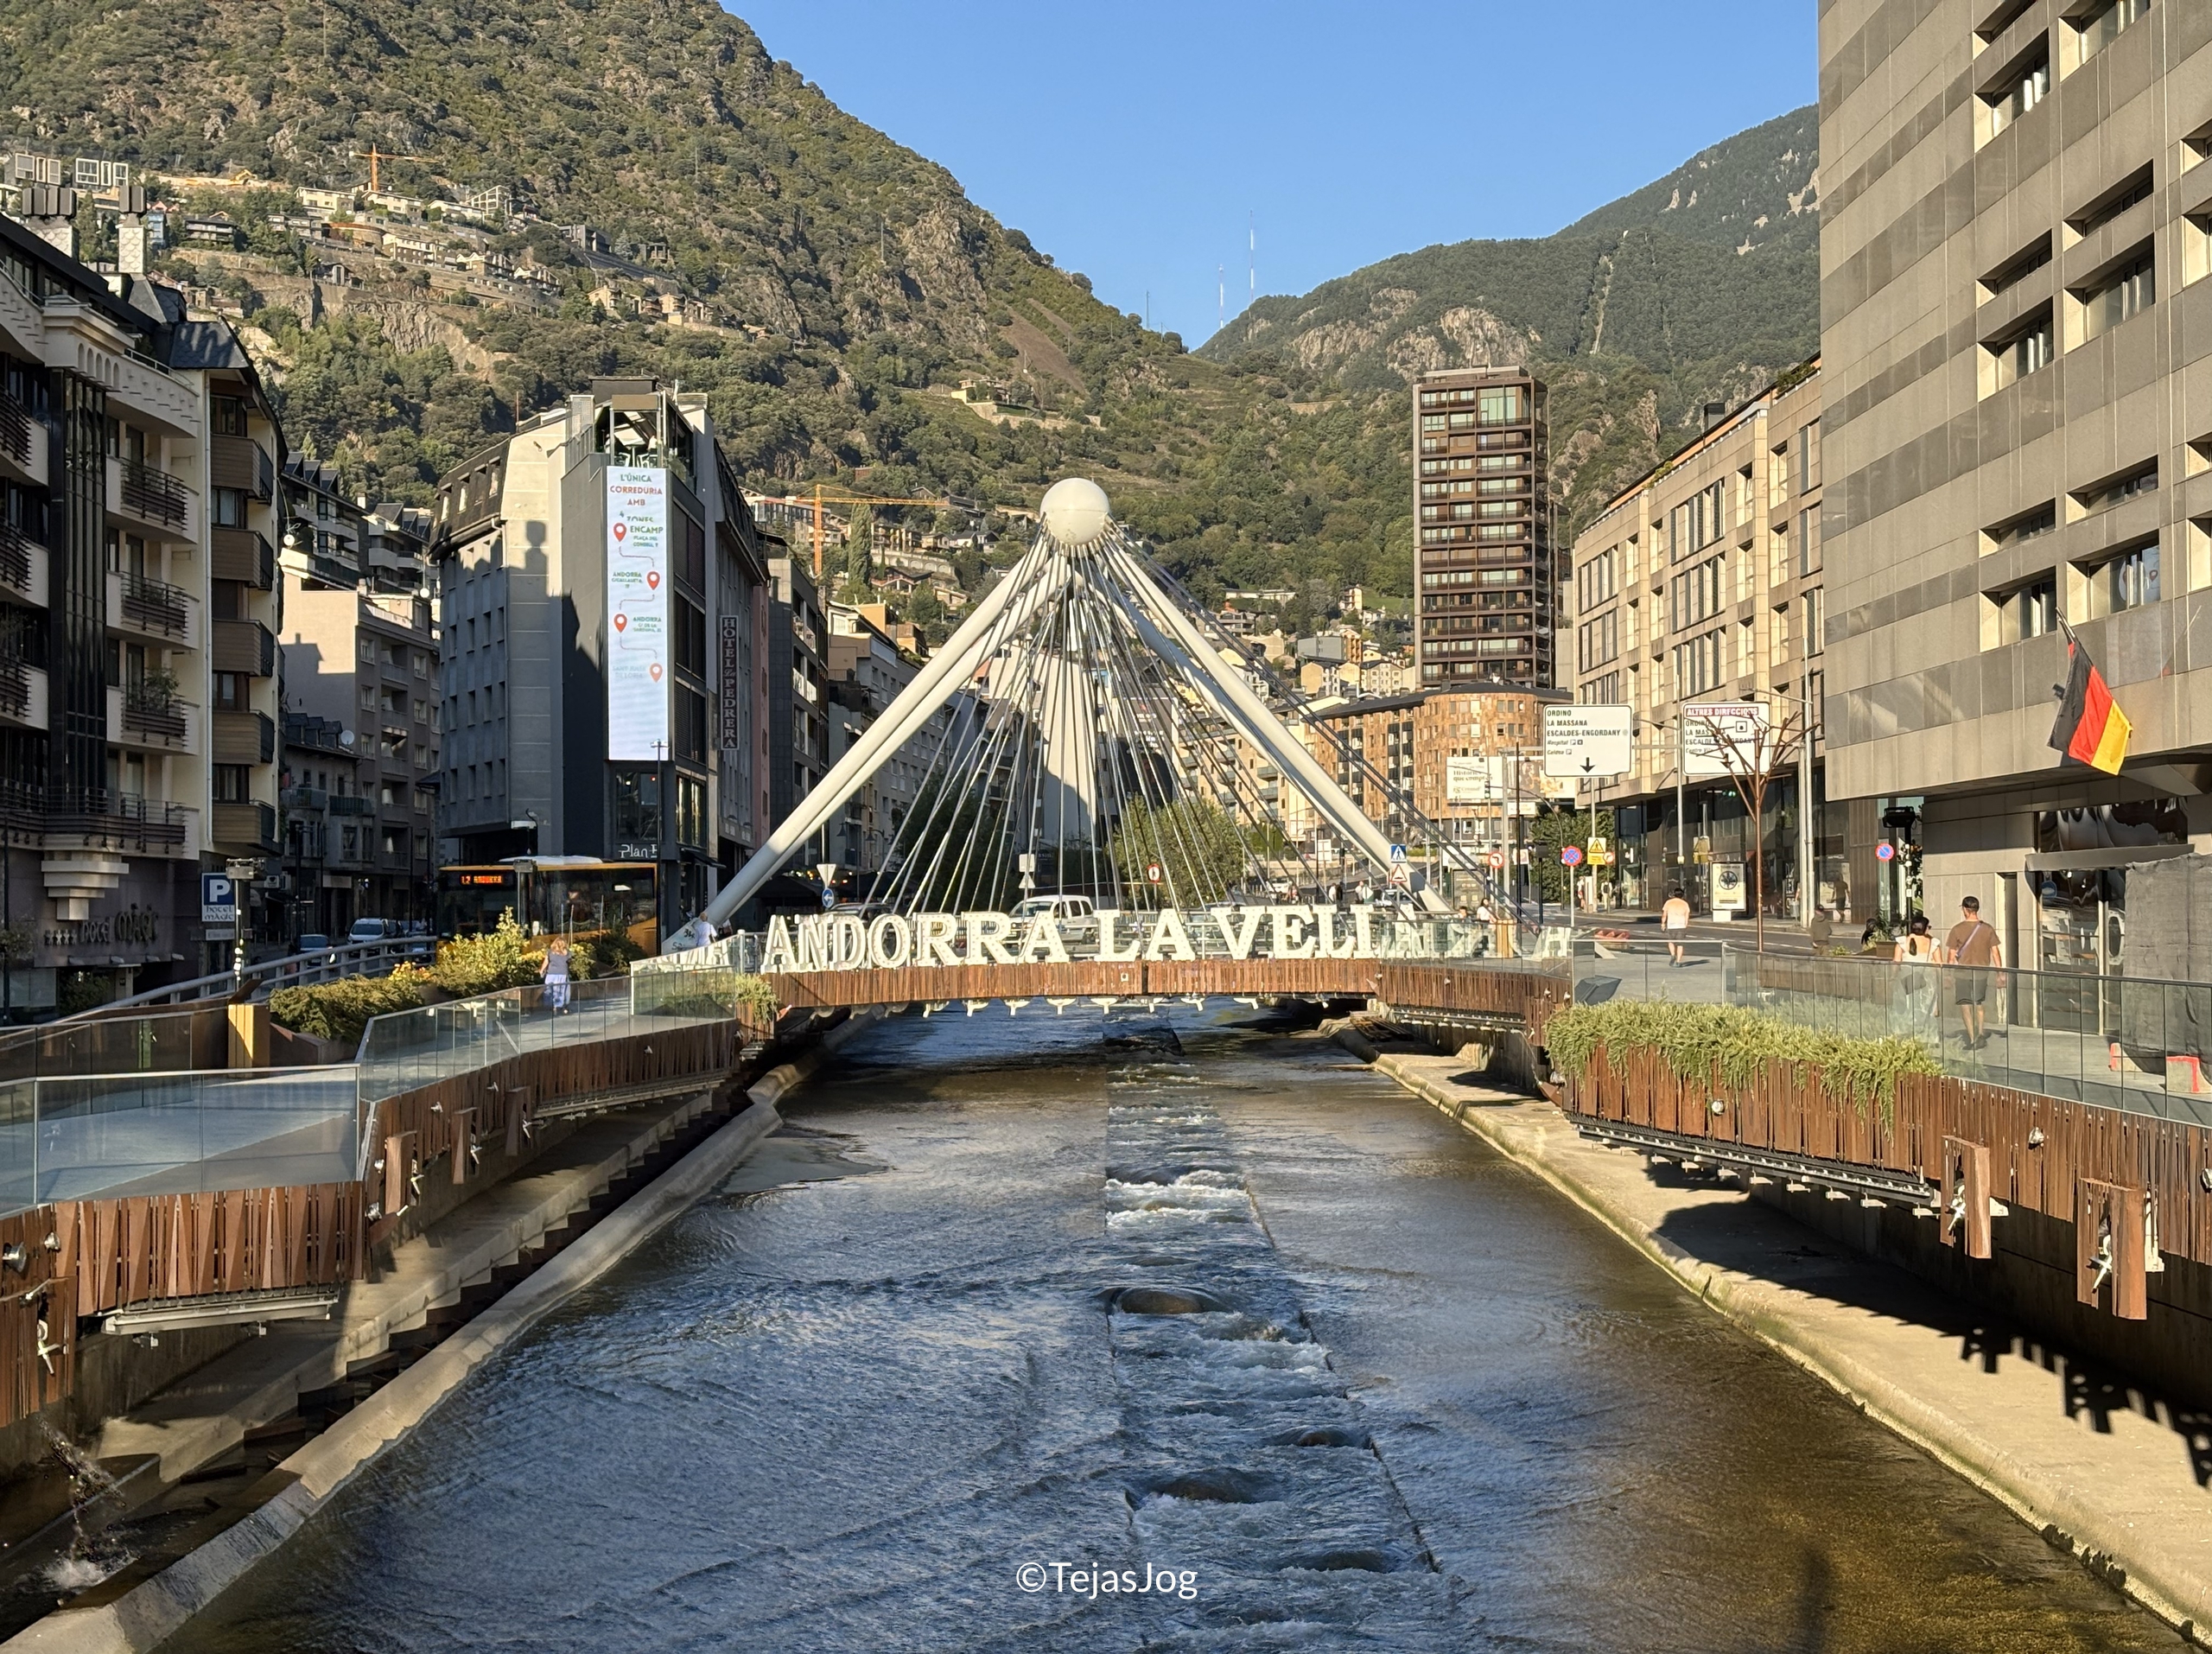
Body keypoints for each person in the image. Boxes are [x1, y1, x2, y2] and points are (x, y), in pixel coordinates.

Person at [1942, 895, 2002, 1050]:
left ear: (1965, 909)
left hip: (1962, 973)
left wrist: (1948, 974)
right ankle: (1981, 1033)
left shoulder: (1957, 929)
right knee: (1979, 1003)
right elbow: (1995, 952)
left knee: (1965, 1005)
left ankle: (1973, 1038)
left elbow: (1951, 954)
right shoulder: (1987, 928)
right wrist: (2000, 973)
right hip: (1982, 973)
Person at [1892, 913, 1936, 1031]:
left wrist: (1893, 977)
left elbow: (1896, 963)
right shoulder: (1933, 943)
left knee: (1908, 1008)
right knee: (1926, 1009)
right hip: (1926, 980)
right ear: (1925, 929)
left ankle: (1907, 1034)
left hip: (1906, 980)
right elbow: (1939, 964)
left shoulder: (1902, 943)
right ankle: (1927, 1036)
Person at [542, 937, 572, 1014]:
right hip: (562, 974)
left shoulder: (550, 952)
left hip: (551, 974)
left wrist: (541, 970)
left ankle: (551, 1006)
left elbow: (546, 962)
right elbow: (569, 962)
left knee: (550, 990)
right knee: (561, 990)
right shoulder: (567, 953)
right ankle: (559, 1006)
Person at [1662, 887, 1691, 966]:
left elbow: (1664, 915)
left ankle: (1672, 954)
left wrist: (1663, 924)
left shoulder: (1668, 902)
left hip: (1671, 925)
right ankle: (1678, 962)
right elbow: (1687, 916)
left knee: (1671, 942)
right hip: (1681, 925)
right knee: (1680, 944)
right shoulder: (1685, 904)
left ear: (1674, 894)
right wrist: (1686, 925)